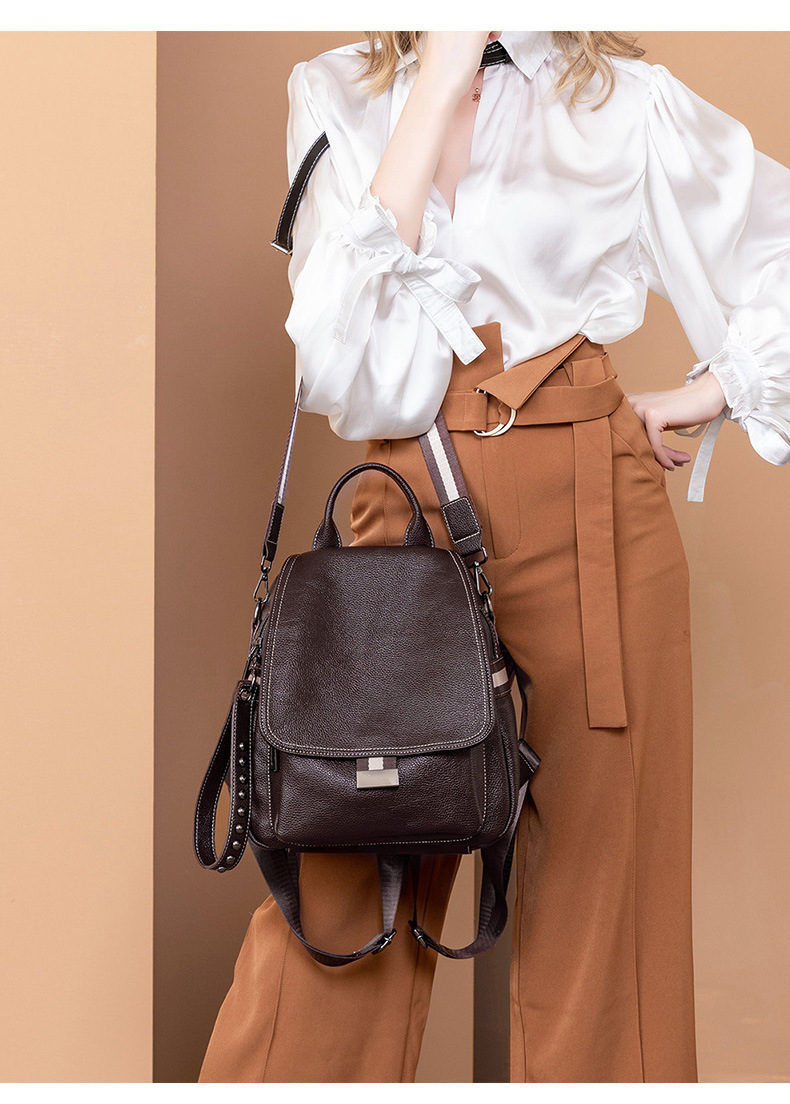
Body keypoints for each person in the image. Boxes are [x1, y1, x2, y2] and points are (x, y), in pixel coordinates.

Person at [198, 31, 790, 1083]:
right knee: (350, 865)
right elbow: (337, 363)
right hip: (408, 496)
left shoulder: (624, 98)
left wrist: (713, 390)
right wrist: (438, 74)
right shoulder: (334, 91)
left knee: (612, 889)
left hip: (595, 498)